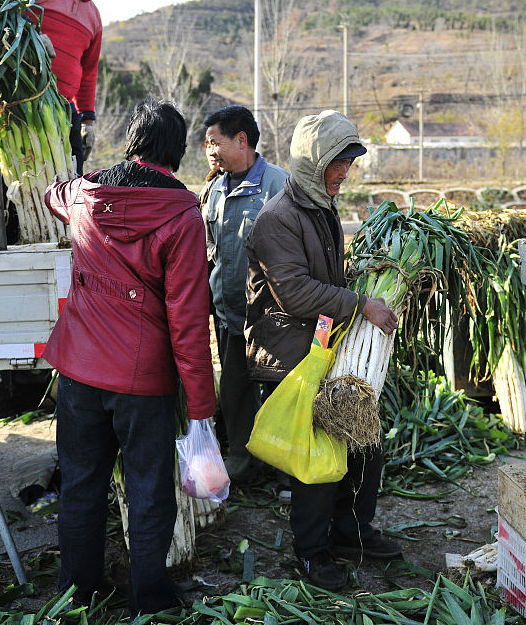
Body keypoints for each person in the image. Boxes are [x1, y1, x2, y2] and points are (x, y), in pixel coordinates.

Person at [41, 99, 215, 616]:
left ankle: (79, 592)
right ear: (178, 153)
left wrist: (94, 175)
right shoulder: (183, 216)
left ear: (131, 143)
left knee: (80, 483)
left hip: (78, 371)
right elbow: (188, 322)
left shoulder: (84, 194)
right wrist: (202, 408)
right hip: (141, 382)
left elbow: (54, 192)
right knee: (148, 493)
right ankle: (150, 598)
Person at [244, 109, 403, 591]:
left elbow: (324, 278)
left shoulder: (319, 207)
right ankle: (312, 553)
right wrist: (361, 302)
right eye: (338, 163)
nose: (344, 173)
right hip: (290, 354)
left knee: (364, 440)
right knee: (316, 457)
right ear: (313, 162)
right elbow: (294, 292)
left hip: (323, 347)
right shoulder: (278, 219)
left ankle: (353, 532)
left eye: (350, 164)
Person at [0, 0, 122, 244]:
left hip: (61, 113)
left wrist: (87, 118)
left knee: (67, 187)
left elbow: (89, 71)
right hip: (12, 105)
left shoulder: (94, 17)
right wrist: (25, 34)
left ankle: (56, 250)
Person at [201, 105, 289, 484]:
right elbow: (210, 252)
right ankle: (241, 463)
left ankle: (283, 470)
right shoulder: (214, 189)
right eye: (206, 144)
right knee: (235, 392)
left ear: (242, 140)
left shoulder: (279, 185)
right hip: (229, 315)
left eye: (215, 142)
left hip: (272, 319)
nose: (209, 151)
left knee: (278, 394)